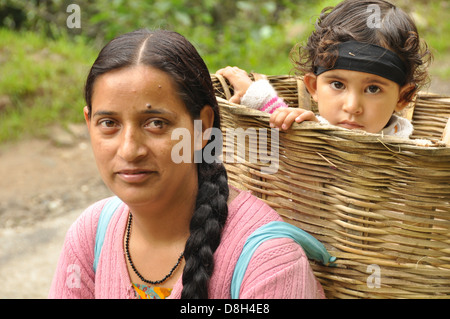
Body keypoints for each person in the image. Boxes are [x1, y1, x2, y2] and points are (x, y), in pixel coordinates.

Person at [48, 29, 327, 299]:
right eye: (109, 124)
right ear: (88, 123)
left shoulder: (270, 262)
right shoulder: (90, 234)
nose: (129, 150)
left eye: (156, 123)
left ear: (202, 127)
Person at [216, 0, 432, 139]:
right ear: (313, 86)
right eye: (338, 85)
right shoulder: (314, 124)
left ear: (403, 97)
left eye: (373, 89)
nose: (352, 106)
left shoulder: (404, 148)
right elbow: (279, 117)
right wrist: (251, 92)